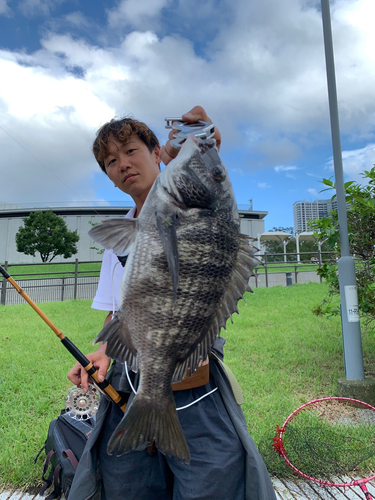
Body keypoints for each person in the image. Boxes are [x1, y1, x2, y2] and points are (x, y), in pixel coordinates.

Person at [67, 106, 276, 500]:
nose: (123, 164)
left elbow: (207, 154)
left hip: (196, 394)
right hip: (129, 392)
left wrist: (203, 135)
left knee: (209, 489)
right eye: (111, 161)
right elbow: (122, 311)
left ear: (158, 153)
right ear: (109, 178)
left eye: (130, 150)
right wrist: (102, 353)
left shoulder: (192, 213)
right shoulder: (121, 238)